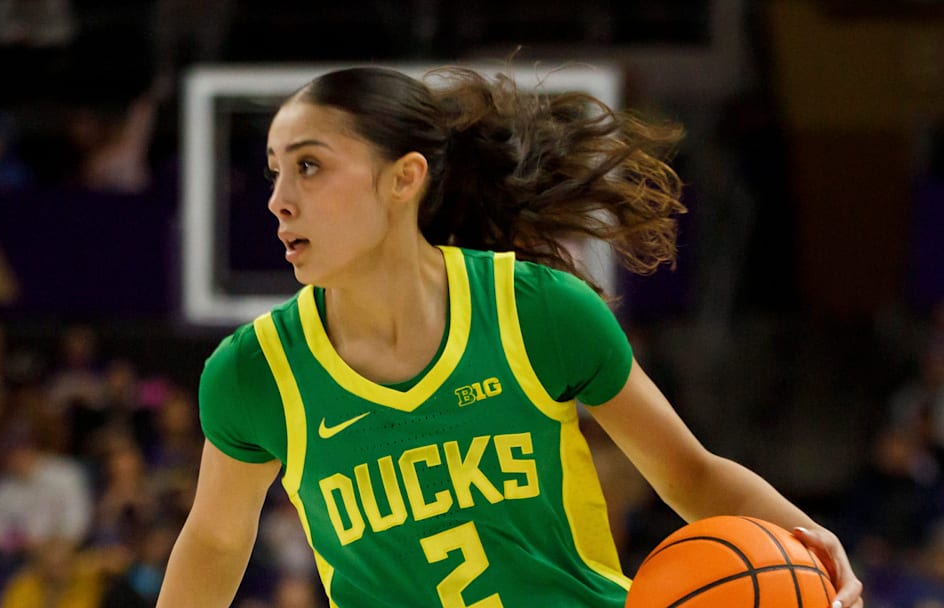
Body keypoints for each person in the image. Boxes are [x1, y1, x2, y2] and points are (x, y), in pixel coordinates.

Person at [157, 66, 863, 607]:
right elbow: (217, 541)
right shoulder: (256, 374)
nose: (280, 197)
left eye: (309, 166)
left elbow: (689, 474)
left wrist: (814, 547)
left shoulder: (538, 313)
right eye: (276, 170)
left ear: (403, 179)